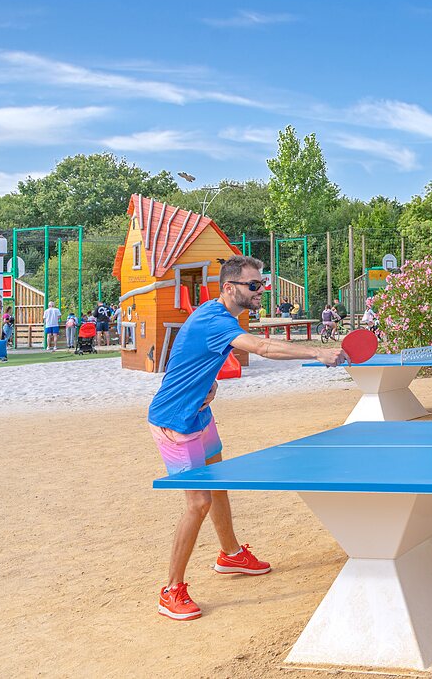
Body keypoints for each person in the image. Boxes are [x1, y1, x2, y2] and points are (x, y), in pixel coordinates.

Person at [149, 255, 346, 621]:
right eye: (254, 285)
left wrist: (208, 386)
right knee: (198, 503)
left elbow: (189, 359)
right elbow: (263, 348)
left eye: (262, 285)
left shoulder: (218, 315)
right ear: (229, 287)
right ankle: (171, 590)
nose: (261, 291)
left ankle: (231, 555)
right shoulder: (215, 320)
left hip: (199, 414)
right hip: (176, 423)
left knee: (218, 484)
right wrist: (318, 352)